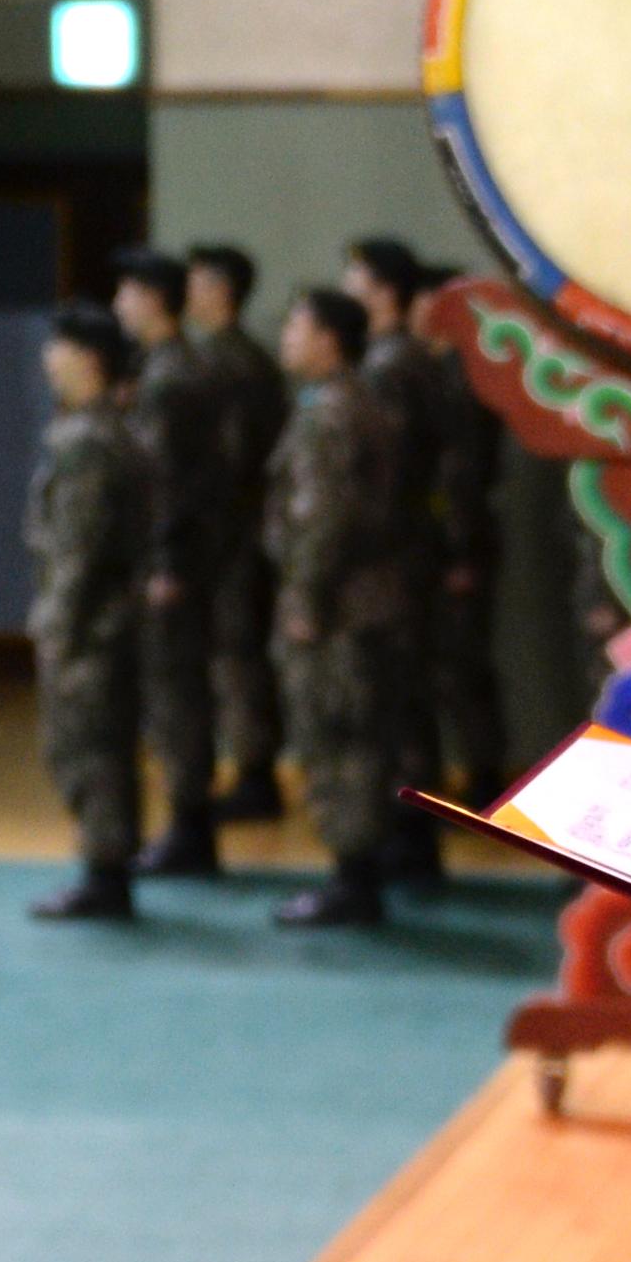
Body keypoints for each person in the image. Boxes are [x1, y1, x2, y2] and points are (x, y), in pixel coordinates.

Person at [263, 282, 406, 927]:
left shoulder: (331, 413)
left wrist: (305, 599)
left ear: (327, 340)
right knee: (359, 737)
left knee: (337, 741)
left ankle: (352, 879)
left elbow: (324, 520)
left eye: (296, 328)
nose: (287, 340)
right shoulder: (351, 401)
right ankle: (359, 872)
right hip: (364, 602)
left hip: (338, 608)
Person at [346, 235, 497, 842]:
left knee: (420, 683)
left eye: (356, 276)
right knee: (416, 683)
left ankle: (417, 822)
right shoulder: (399, 361)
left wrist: (454, 545)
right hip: (413, 547)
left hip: (405, 550)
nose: (347, 286)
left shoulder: (394, 367)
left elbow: (424, 469)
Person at [106, 245, 232, 877]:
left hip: (174, 564)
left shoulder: (169, 377)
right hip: (187, 555)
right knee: (177, 692)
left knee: (174, 694)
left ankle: (189, 825)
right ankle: (189, 822)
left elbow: (168, 485)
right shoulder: (173, 366)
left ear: (152, 299)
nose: (117, 306)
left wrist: (163, 566)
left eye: (126, 292)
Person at [26, 296, 150, 919]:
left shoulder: (87, 440)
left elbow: (78, 549)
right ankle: (108, 867)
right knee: (101, 745)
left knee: (88, 748)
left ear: (89, 360)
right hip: (113, 618)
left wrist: (58, 628)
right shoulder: (110, 429)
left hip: (91, 624)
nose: (49, 359)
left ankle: (105, 873)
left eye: (60, 347)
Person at [184, 245, 292, 821]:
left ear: (222, 291)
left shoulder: (232, 364)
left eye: (198, 283)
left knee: (237, 655)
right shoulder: (225, 357)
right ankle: (252, 768)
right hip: (232, 535)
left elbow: (233, 462)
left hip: (235, 538)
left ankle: (255, 773)